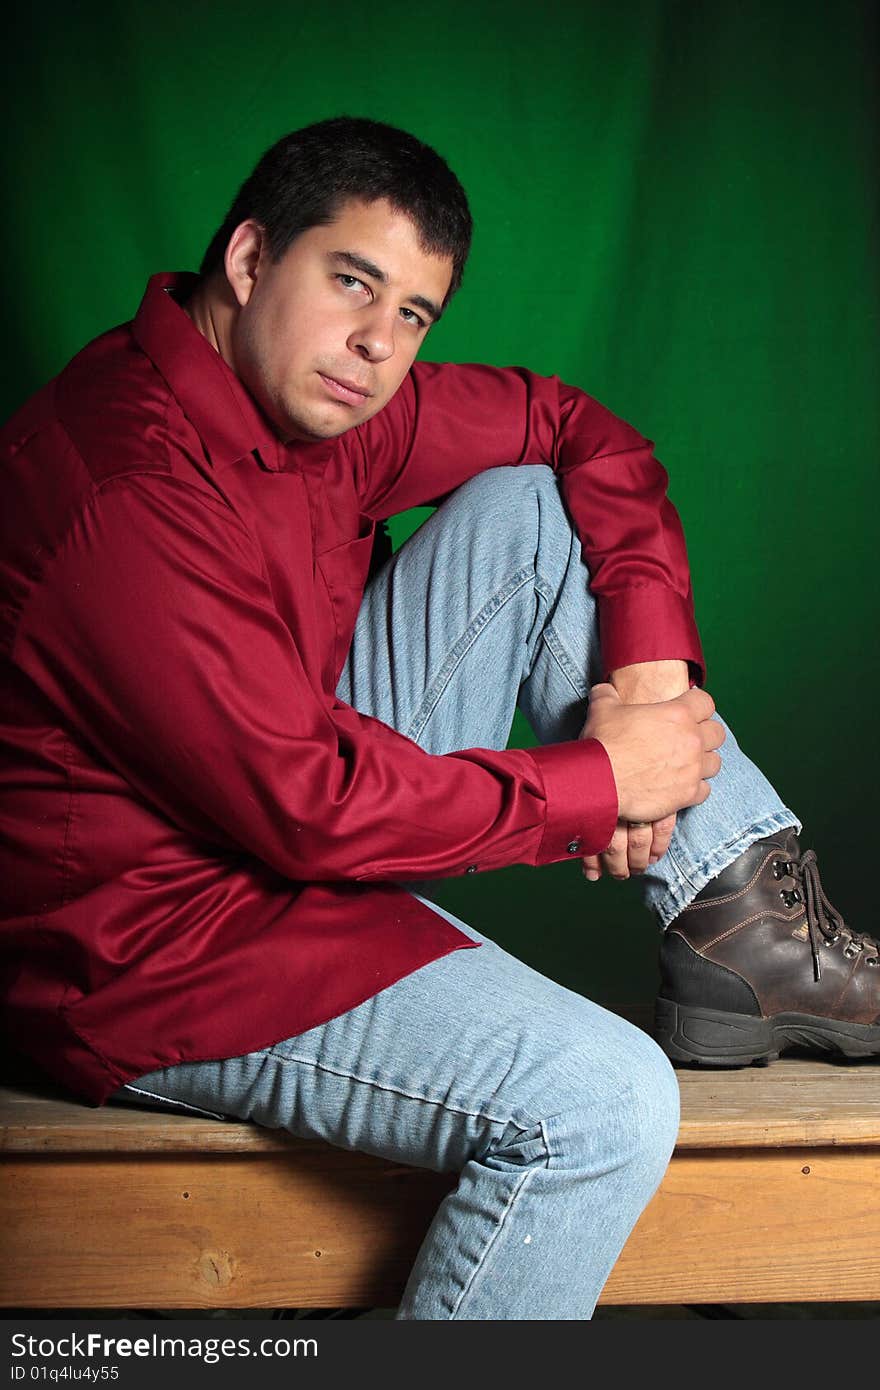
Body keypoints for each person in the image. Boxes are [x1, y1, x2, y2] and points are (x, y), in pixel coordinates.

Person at [1, 116, 876, 1321]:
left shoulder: (324, 399)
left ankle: (750, 934)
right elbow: (307, 808)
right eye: (350, 282)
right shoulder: (122, 490)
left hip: (284, 810)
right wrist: (596, 781)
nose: (373, 345)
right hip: (160, 950)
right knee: (604, 1101)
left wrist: (652, 680)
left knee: (529, 506)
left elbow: (580, 430)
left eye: (411, 315)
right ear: (252, 261)